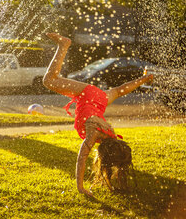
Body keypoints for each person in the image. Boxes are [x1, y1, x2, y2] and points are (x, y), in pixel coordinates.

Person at [43, 33, 153, 196]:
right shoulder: (94, 134)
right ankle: (63, 45)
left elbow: (120, 90)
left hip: (100, 101)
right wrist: (80, 187)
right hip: (89, 96)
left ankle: (145, 78)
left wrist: (143, 79)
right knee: (49, 81)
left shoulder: (112, 136)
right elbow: (81, 159)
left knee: (118, 91)